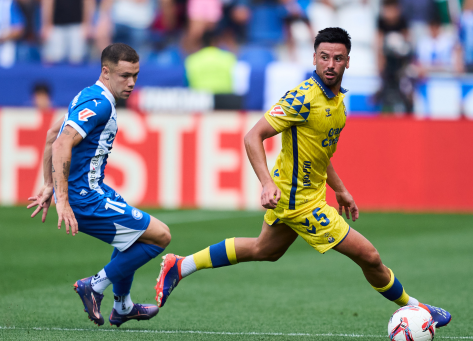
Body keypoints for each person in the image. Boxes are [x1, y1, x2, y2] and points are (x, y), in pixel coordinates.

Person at [155, 27, 452, 329]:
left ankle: (180, 265)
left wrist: (341, 189)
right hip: (299, 202)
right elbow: (252, 136)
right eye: (324, 57)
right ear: (314, 58)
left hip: (301, 193)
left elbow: (320, 155)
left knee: (264, 250)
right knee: (370, 256)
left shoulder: (337, 103)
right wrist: (266, 183)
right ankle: (420, 309)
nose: (330, 64)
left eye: (337, 58)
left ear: (348, 62)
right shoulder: (302, 98)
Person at [27, 43, 171, 327]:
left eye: (135, 75)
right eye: (124, 75)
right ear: (106, 72)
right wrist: (63, 200)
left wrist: (48, 185)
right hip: (85, 198)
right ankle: (93, 285)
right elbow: (61, 144)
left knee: (134, 236)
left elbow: (52, 132)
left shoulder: (88, 95)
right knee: (160, 236)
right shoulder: (100, 103)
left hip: (95, 190)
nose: (131, 83)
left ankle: (123, 306)